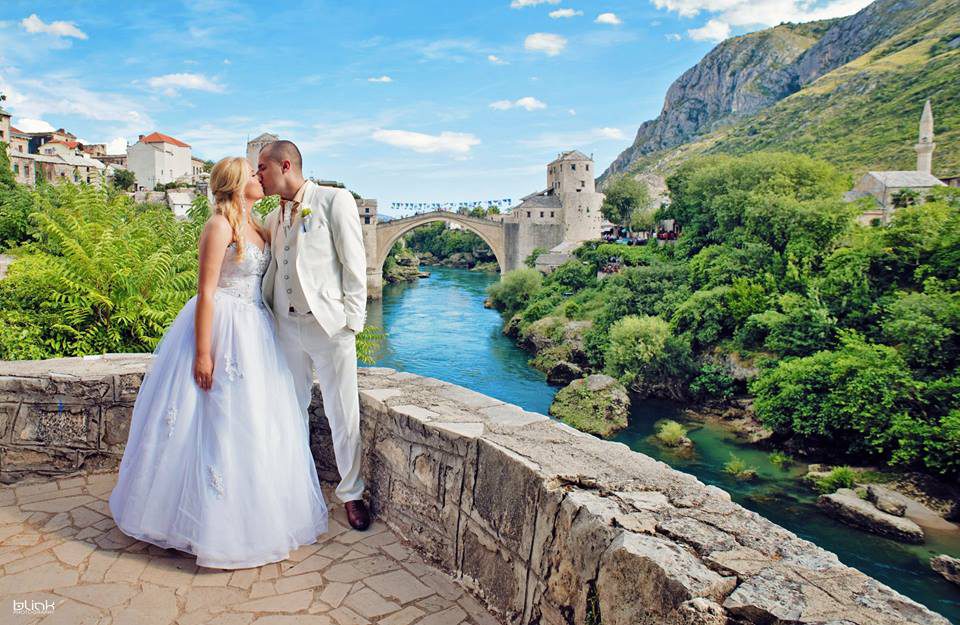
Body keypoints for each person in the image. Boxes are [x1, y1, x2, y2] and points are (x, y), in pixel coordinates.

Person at [108, 157, 329, 569]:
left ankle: (252, 516)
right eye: (251, 173)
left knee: (253, 422)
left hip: (257, 332)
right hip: (224, 327)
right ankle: (192, 522)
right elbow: (206, 293)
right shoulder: (219, 226)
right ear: (234, 182)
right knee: (209, 420)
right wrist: (204, 352)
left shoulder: (260, 225)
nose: (258, 178)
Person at [256, 140, 371, 531]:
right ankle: (294, 488)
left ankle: (351, 494)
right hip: (286, 325)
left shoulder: (334, 200)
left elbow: (354, 263)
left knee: (343, 412)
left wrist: (352, 322)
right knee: (291, 409)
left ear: (285, 165)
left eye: (262, 169)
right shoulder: (273, 219)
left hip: (329, 326)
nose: (259, 176)